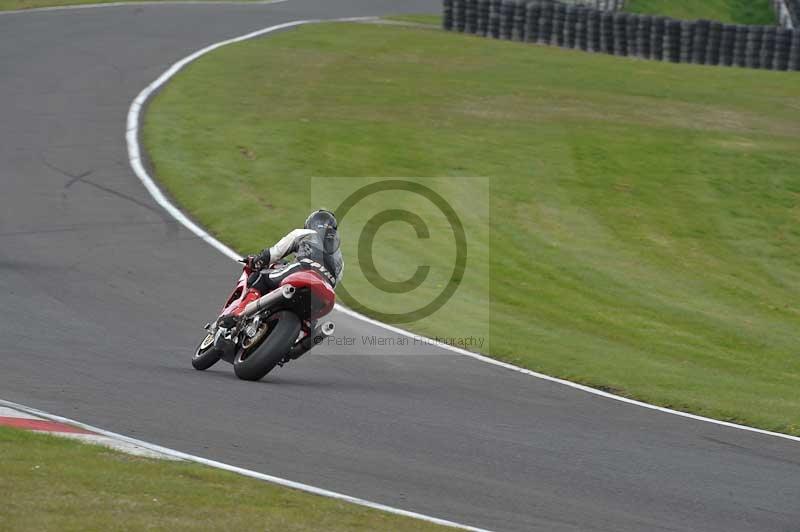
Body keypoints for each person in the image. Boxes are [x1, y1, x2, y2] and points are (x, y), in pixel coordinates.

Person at [245, 209, 344, 295]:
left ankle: (239, 314)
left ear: (312, 223)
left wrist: (255, 262)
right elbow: (335, 283)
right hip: (325, 288)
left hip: (303, 269)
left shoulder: (305, 233)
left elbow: (274, 254)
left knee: (261, 278)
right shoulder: (339, 256)